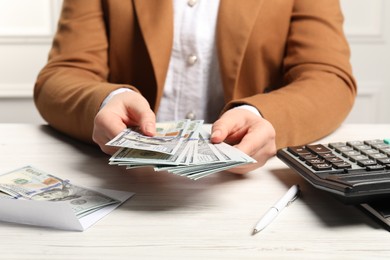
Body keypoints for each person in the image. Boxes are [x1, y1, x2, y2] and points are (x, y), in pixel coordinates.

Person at [34, 0, 356, 174]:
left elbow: (328, 77)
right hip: (124, 182)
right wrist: (107, 100)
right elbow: (63, 74)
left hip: (252, 188)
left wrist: (263, 114)